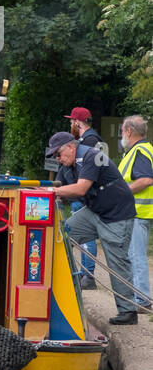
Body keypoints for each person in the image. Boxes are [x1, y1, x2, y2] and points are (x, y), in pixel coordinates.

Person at [48, 131, 139, 324]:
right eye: (54, 156)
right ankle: (65, 290)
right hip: (95, 211)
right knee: (61, 236)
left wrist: (51, 191)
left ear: (71, 148)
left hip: (117, 214)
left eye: (58, 154)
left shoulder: (91, 156)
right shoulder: (67, 165)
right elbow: (57, 185)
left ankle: (128, 312)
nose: (57, 159)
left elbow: (80, 188)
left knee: (116, 261)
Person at [59, 107, 102, 285]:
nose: (70, 124)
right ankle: (84, 272)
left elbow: (87, 170)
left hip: (84, 195)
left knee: (86, 236)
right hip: (81, 195)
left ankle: (87, 274)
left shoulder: (90, 140)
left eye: (71, 121)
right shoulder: (88, 138)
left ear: (78, 122)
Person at [119, 115, 153, 310]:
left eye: (122, 130)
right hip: (135, 212)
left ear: (129, 131)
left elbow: (146, 180)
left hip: (138, 212)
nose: (122, 134)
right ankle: (138, 296)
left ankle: (141, 299)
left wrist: (122, 192)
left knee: (136, 255)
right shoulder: (139, 150)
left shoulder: (139, 151)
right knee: (133, 255)